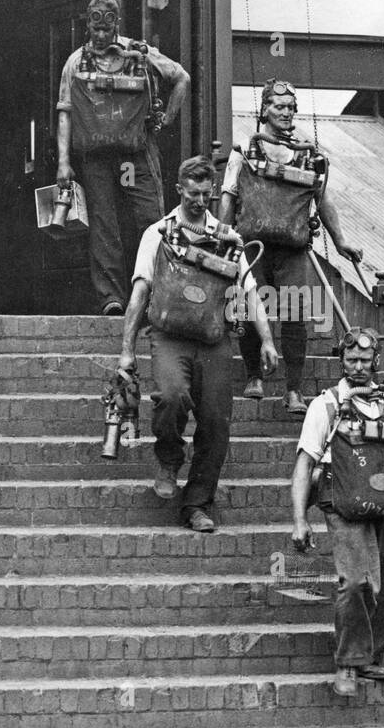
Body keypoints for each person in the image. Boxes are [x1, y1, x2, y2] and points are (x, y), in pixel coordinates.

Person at [118, 156, 278, 533]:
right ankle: (169, 458)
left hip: (213, 341)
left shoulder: (228, 239)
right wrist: (126, 350)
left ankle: (196, 505)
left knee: (216, 423)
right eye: (193, 193)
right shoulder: (156, 234)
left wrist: (267, 340)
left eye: (207, 194)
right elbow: (140, 293)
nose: (200, 201)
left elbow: (250, 294)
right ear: (179, 190)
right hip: (169, 336)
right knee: (172, 397)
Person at [219, 78, 362, 416]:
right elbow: (228, 195)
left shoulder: (308, 154)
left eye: (289, 108)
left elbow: (322, 199)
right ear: (264, 109)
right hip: (252, 246)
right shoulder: (244, 149)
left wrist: (341, 241)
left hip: (293, 247)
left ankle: (293, 390)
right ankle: (254, 376)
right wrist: (223, 238)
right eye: (278, 107)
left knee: (296, 315)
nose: (285, 112)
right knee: (248, 308)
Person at [290, 327, 384, 695]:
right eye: (351, 360)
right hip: (341, 498)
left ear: (377, 361)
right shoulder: (325, 405)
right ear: (341, 361)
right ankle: (348, 662)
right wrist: (299, 519)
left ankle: (372, 656)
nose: (358, 367)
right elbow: (303, 464)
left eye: (364, 360)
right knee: (357, 581)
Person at [56, 0, 190, 315]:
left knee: (150, 220)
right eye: (94, 28)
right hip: (96, 156)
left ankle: (156, 293)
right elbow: (65, 110)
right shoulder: (75, 62)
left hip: (136, 152)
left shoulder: (140, 55)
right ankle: (111, 299)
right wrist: (63, 161)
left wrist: (166, 119)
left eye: (106, 29)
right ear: (88, 23)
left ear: (116, 24)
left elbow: (181, 77)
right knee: (104, 225)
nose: (99, 36)